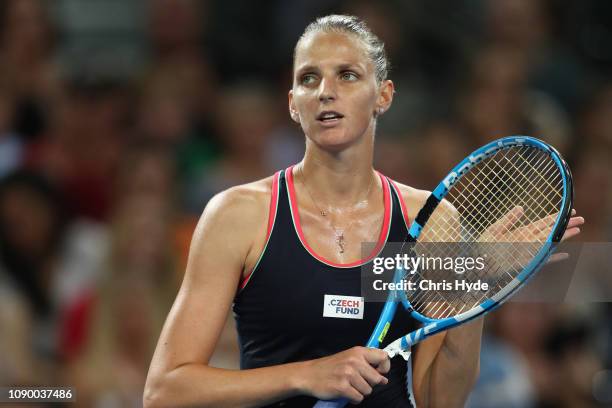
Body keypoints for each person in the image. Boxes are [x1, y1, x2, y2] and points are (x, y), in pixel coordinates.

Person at [144, 15, 584, 407]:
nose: (326, 92)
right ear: (293, 103)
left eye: (348, 75)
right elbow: (166, 390)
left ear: (384, 96)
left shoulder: (431, 219)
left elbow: (438, 401)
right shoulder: (238, 215)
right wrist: (307, 375)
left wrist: (472, 286)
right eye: (309, 79)